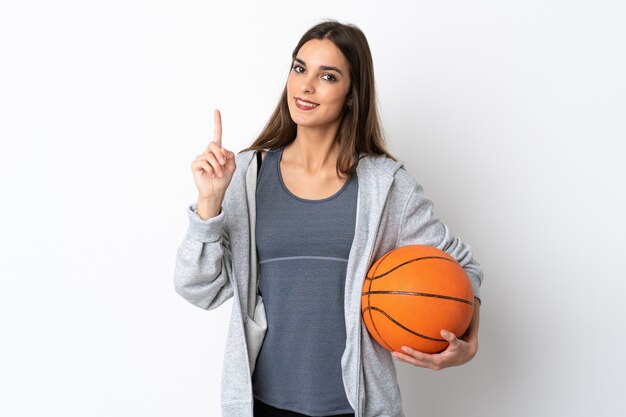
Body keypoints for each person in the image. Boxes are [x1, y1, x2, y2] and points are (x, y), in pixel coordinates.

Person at [174, 20, 483, 417]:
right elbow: (198, 288)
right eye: (300, 68)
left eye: (328, 76)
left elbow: (463, 268)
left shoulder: (385, 188)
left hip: (356, 408)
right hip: (263, 405)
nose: (305, 86)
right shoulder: (246, 176)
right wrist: (209, 204)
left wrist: (469, 340)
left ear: (352, 94)